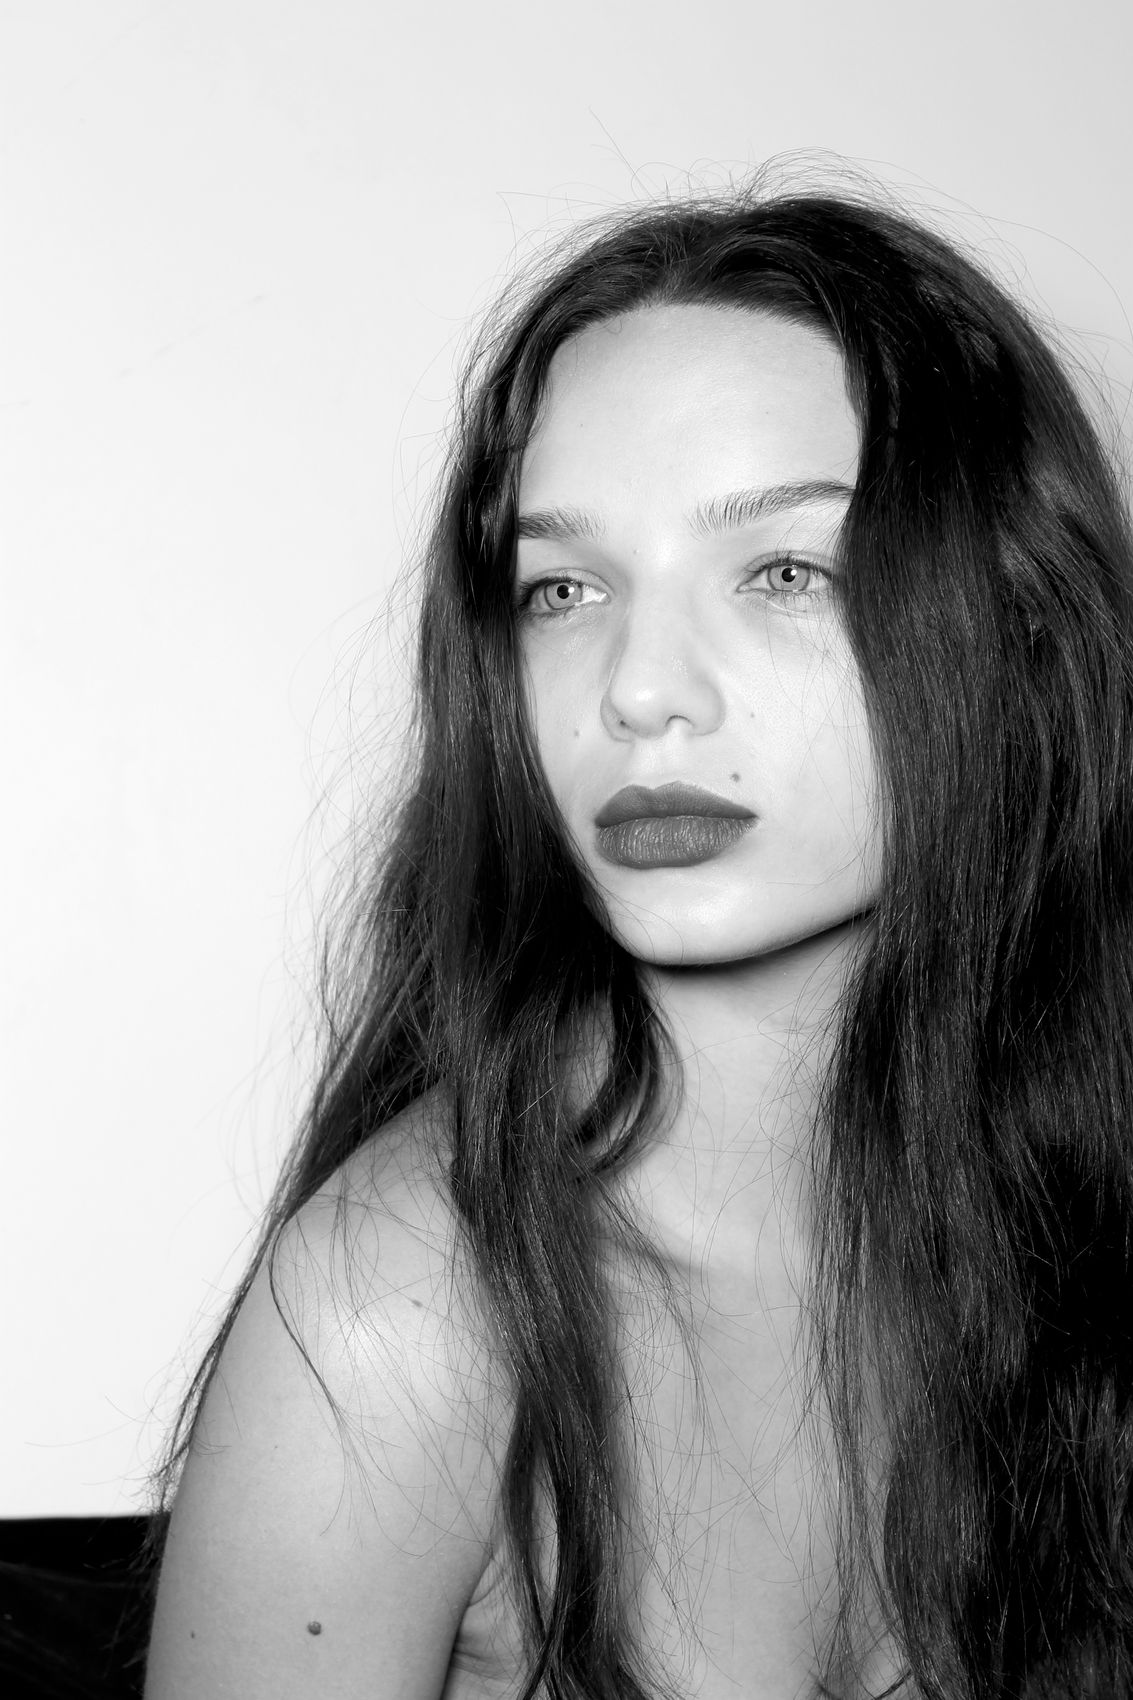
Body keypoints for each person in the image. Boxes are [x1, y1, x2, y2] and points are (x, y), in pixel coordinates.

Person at [139, 178, 1133, 1700]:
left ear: (1021, 625)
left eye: (785, 572)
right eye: (563, 587)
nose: (638, 687)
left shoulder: (1070, 1216)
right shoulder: (399, 1322)